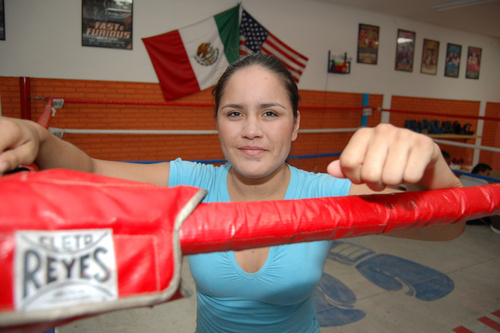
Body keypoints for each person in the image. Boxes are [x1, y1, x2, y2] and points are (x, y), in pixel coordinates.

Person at [0, 54, 465, 332]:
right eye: (234, 113)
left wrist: (433, 165)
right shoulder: (193, 182)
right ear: (217, 122)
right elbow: (93, 169)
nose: (251, 131)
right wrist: (39, 140)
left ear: (297, 124)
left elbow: (448, 229)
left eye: (270, 113)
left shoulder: (327, 191)